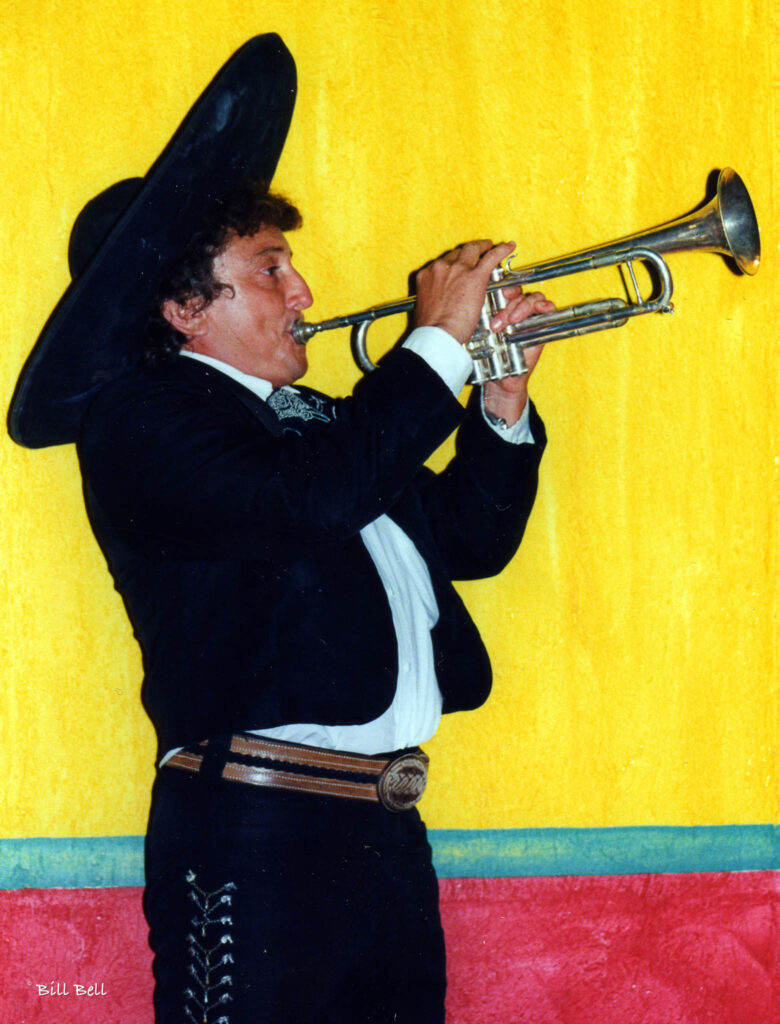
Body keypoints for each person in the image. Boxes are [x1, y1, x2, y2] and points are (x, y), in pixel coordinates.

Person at [8, 35, 549, 1024]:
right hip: (255, 830)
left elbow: (468, 542)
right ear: (181, 308)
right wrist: (432, 345)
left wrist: (499, 405)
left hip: (385, 832)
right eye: (270, 271)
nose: (304, 294)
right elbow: (308, 504)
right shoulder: (144, 420)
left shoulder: (327, 432)